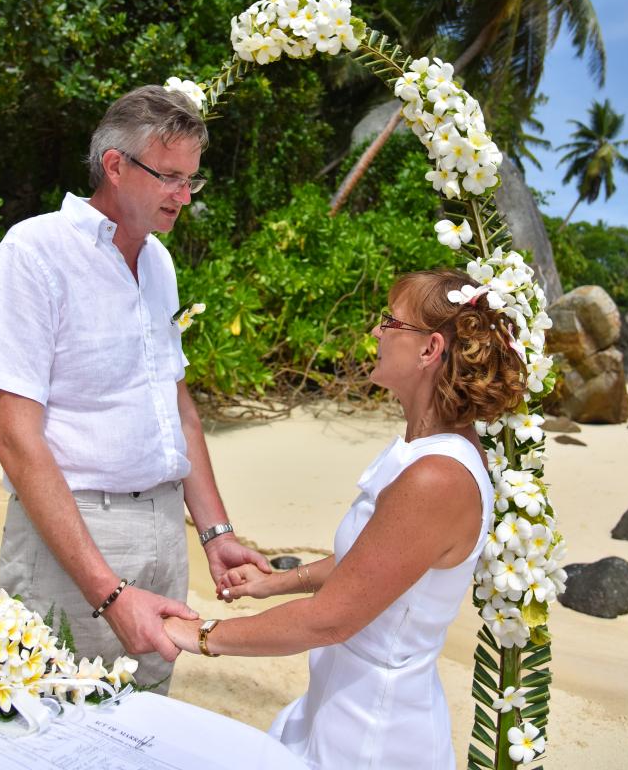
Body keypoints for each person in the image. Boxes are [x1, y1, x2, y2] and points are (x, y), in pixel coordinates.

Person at [165, 269, 527, 768]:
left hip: (373, 731)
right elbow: (371, 566)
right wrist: (274, 582)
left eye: (390, 322)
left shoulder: (437, 477)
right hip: (339, 702)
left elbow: (329, 619)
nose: (377, 332)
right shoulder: (420, 451)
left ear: (430, 350)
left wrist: (201, 636)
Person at [0, 85, 269, 691]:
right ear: (115, 166)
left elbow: (176, 405)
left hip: (165, 530)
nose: (184, 196)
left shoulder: (159, 262)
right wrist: (108, 593)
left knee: (147, 725)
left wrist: (215, 534)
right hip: (75, 533)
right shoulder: (34, 252)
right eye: (170, 178)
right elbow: (14, 438)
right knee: (48, 718)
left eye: (192, 181)